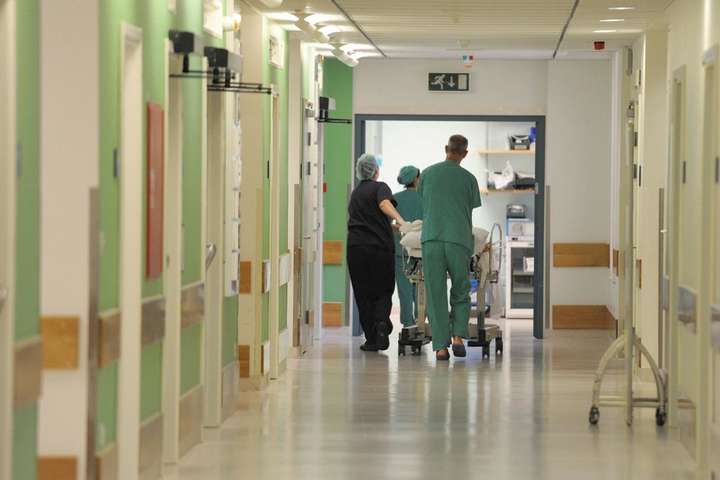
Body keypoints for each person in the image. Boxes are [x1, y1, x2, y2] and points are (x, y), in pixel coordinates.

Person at [419, 135, 482, 361]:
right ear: (465, 153)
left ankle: (440, 348)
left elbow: (425, 201)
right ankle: (457, 337)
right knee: (460, 289)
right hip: (458, 240)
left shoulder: (427, 174)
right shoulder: (469, 179)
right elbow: (470, 206)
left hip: (432, 239)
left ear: (446, 148)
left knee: (435, 292)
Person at [347, 154, 406, 352]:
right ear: (376, 171)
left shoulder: (355, 193)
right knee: (383, 290)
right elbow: (383, 204)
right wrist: (401, 221)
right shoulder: (381, 187)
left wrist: (393, 226)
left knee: (363, 293)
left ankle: (371, 340)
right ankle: (381, 323)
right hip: (379, 249)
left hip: (356, 249)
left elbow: (369, 220)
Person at [393, 166, 423, 338]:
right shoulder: (425, 198)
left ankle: (407, 324)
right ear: (416, 179)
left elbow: (389, 224)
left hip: (400, 251)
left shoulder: (394, 199)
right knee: (421, 287)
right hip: (421, 250)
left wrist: (402, 228)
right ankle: (421, 321)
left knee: (404, 289)